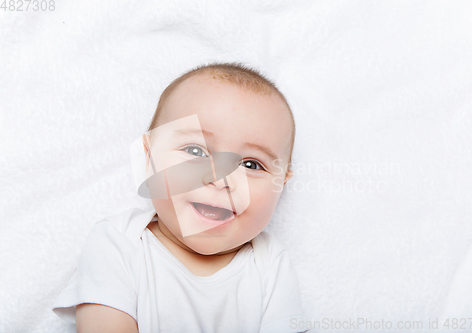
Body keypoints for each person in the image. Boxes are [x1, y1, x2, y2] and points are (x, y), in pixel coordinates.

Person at [52, 62, 308, 332]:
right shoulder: (119, 242)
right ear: (149, 158)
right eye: (196, 151)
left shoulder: (269, 264)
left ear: (282, 183)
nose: (221, 180)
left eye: (251, 165)